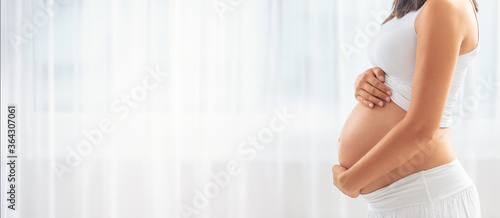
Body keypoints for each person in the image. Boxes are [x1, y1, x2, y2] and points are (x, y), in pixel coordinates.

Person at [332, 0, 481, 217]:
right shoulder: (418, 5)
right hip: (402, 202)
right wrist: (366, 81)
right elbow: (406, 76)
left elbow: (422, 128)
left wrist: (350, 181)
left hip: (426, 198)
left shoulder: (445, 5)